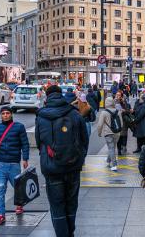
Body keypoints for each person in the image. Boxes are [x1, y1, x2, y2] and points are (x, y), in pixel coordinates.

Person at [35, 84, 89, 237]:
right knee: (71, 203)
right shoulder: (75, 113)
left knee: (57, 205)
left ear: (47, 96)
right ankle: (70, 232)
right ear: (61, 95)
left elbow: (39, 143)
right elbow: (84, 139)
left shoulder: (41, 116)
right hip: (73, 166)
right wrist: (80, 157)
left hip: (52, 168)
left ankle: (62, 234)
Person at [0, 106, 30, 226]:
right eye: (3, 113)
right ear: (1, 115)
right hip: (1, 164)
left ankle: (19, 205)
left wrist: (25, 158)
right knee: (0, 189)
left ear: (11, 114)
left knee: (17, 187)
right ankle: (1, 215)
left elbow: (25, 143)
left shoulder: (19, 127)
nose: (6, 115)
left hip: (14, 164)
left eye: (8, 113)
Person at [96, 96, 120, 171]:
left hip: (108, 133)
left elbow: (100, 124)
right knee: (112, 147)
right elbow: (121, 123)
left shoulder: (104, 112)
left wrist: (99, 133)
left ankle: (114, 165)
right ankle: (108, 160)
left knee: (111, 148)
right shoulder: (117, 111)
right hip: (117, 132)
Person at [114, 90, 131, 155]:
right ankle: (119, 150)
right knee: (119, 136)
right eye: (116, 95)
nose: (117, 96)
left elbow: (128, 111)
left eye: (119, 95)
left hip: (124, 121)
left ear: (121, 96)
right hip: (117, 121)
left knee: (124, 135)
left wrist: (124, 110)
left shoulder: (124, 102)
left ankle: (124, 146)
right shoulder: (113, 102)